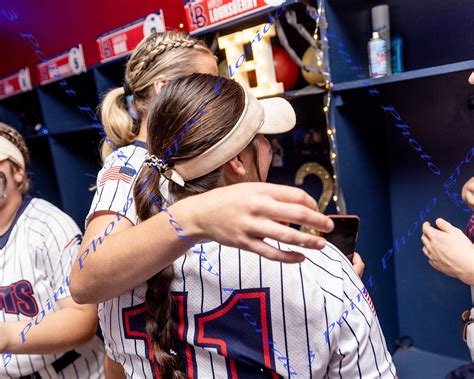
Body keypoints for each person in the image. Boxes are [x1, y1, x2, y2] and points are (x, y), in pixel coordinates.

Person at [70, 31, 348, 378]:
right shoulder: (132, 162)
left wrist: (325, 291)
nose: (218, 92)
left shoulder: (192, 164)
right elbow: (85, 279)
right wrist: (192, 217)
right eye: (207, 81)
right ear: (163, 90)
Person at [134, 73, 396, 378]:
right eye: (263, 137)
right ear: (237, 162)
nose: (270, 147)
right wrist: (340, 288)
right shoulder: (322, 272)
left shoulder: (122, 264)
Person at [0, 123, 104, 378]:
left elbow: (83, 319)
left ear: (18, 173)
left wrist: (7, 336)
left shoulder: (50, 227)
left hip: (74, 372)